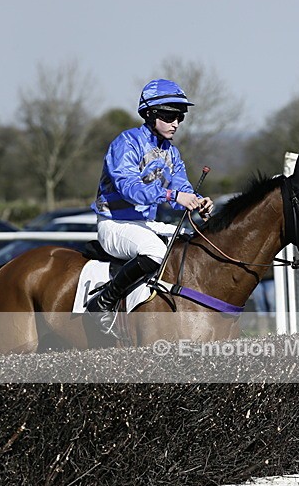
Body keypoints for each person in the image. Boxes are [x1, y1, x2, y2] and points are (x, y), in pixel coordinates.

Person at [86, 78, 213, 334]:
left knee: (192, 244)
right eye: (169, 115)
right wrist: (172, 196)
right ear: (150, 114)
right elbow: (129, 189)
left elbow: (182, 189)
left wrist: (198, 202)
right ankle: (104, 301)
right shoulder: (126, 143)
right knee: (155, 250)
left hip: (144, 224)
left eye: (181, 116)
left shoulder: (171, 153)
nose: (176, 122)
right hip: (114, 224)